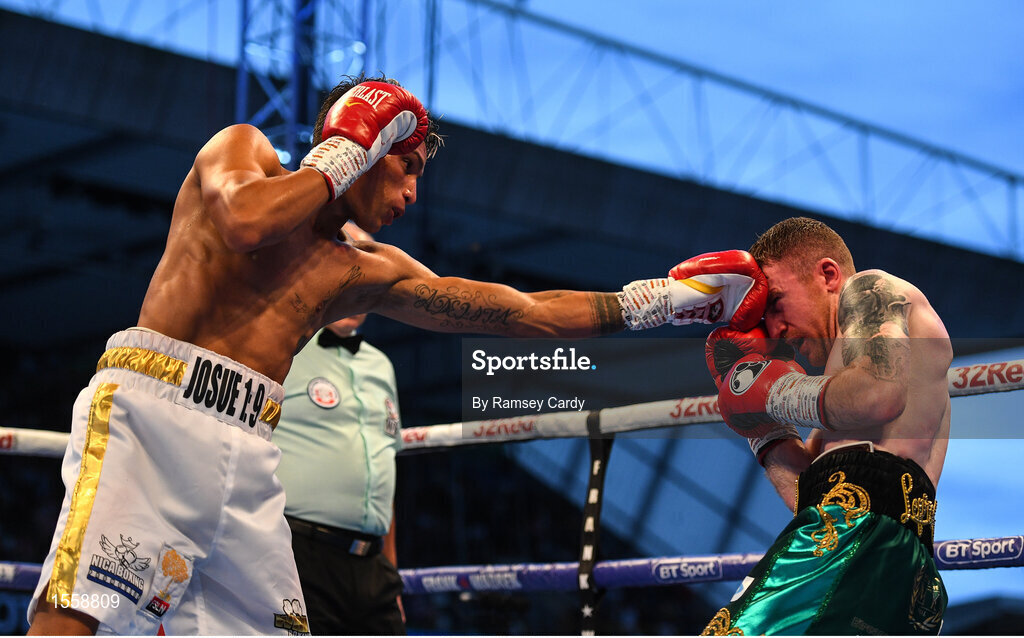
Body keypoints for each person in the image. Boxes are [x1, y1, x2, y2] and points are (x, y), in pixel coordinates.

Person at [27, 72, 766, 635]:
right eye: (406, 167)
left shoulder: (364, 268)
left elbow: (525, 315)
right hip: (159, 412)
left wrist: (668, 301)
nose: (412, 194)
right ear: (370, 146)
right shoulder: (241, 150)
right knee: (81, 610)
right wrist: (349, 146)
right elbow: (249, 222)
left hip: (249, 449)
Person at [696, 217, 951, 635]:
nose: (774, 329)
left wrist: (774, 392)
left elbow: (880, 394)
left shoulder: (872, 290)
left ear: (828, 275)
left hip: (859, 537)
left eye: (775, 302)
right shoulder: (840, 396)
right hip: (880, 555)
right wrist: (762, 427)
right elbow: (809, 497)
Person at [275, 222, 407, 635]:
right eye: (350, 260)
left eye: (368, 264)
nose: (360, 277)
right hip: (297, 554)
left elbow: (385, 475)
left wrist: (393, 571)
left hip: (374, 569)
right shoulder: (282, 345)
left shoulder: (382, 364)